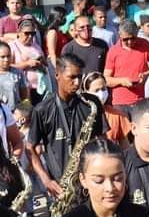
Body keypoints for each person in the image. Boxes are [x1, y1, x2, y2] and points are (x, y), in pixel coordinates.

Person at [27, 55, 105, 203]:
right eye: (72, 77)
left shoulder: (91, 104)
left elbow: (100, 140)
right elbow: (30, 147)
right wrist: (46, 180)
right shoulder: (42, 110)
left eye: (80, 77)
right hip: (60, 189)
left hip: (89, 184)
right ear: (57, 75)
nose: (77, 83)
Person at [104, 20, 149, 107]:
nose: (130, 42)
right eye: (125, 39)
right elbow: (106, 79)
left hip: (142, 100)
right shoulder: (113, 51)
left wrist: (146, 74)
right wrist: (121, 81)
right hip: (121, 102)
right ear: (120, 35)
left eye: (133, 38)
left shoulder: (144, 44)